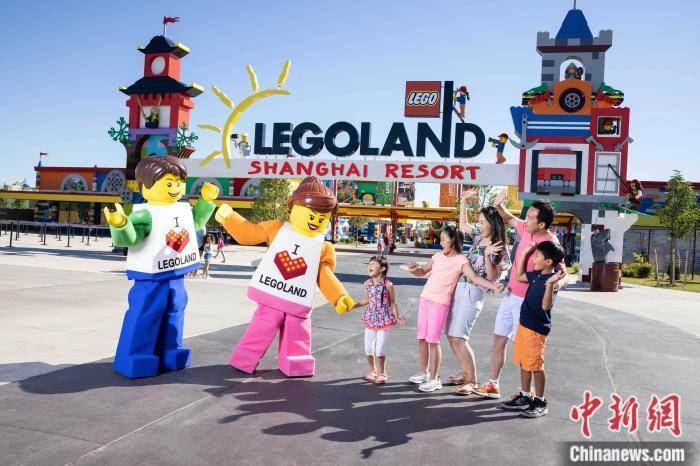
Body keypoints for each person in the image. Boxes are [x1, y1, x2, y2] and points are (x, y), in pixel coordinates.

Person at [215, 176, 354, 377]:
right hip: (273, 294)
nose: (315, 221)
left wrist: (339, 296)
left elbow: (324, 275)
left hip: (297, 300)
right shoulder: (277, 229)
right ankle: (245, 358)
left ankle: (296, 363)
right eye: (312, 214)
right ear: (294, 207)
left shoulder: (323, 248)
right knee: (262, 327)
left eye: (322, 218)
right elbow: (250, 233)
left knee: (297, 333)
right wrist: (230, 218)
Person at [103, 156, 218, 378]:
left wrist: (205, 201)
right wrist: (121, 224)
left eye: (179, 182)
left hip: (175, 275)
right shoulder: (144, 213)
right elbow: (131, 238)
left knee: (176, 308)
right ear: (145, 186)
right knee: (146, 311)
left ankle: (171, 350)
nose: (175, 188)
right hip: (151, 278)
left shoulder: (181, 210)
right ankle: (135, 355)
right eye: (169, 183)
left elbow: (196, 222)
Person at [473, 191, 567, 399]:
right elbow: (508, 217)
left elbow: (563, 273)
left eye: (531, 217)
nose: (526, 219)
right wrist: (499, 205)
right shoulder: (526, 228)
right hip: (510, 294)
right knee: (499, 338)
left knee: (525, 348)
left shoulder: (551, 244)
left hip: (527, 302)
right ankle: (493, 385)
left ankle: (529, 393)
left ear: (541, 224)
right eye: (528, 214)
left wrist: (553, 285)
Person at [407, 225, 505, 393]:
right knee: (422, 338)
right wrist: (414, 270)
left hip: (440, 303)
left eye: (443, 239)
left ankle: (434, 379)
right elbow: (422, 271)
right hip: (425, 299)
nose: (440, 242)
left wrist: (494, 286)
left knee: (433, 341)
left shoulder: (461, 260)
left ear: (452, 241)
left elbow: (475, 277)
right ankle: (424, 372)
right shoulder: (438, 256)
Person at [446, 188, 511, 395]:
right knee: (451, 336)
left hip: (473, 292)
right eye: (480, 221)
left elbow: (491, 278)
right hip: (459, 287)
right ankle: (465, 372)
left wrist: (487, 256)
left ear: (492, 223)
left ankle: (472, 381)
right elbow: (463, 224)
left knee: (460, 338)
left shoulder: (499, 248)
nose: (479, 225)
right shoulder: (477, 237)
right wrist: (464, 201)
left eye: (483, 222)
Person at [500, 241, 565, 418]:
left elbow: (545, 306)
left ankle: (541, 402)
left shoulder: (552, 281)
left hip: (536, 330)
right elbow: (519, 276)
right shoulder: (537, 274)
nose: (534, 259)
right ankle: (525, 396)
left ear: (548, 261)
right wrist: (525, 254)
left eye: (537, 256)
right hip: (524, 325)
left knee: (536, 366)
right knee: (524, 363)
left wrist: (550, 284)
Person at [351, 255, 406, 384]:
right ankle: (373, 371)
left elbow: (392, 302)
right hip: (370, 319)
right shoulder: (367, 283)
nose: (369, 266)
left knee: (379, 351)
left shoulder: (388, 285)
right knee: (368, 349)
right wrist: (353, 305)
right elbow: (366, 300)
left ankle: (382, 373)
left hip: (383, 320)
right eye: (369, 264)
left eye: (373, 264)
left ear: (382, 269)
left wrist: (397, 316)